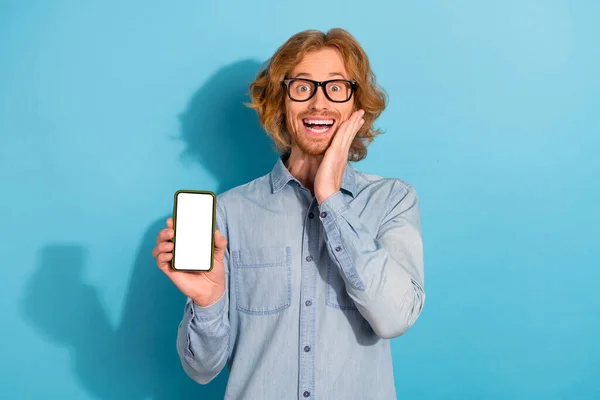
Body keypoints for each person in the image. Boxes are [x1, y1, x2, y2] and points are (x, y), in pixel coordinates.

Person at [152, 27, 425, 400]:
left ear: (356, 104)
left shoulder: (392, 199)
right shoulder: (229, 213)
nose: (318, 104)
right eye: (302, 87)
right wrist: (208, 300)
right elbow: (201, 370)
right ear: (282, 102)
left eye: (336, 87)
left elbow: (395, 318)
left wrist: (331, 198)